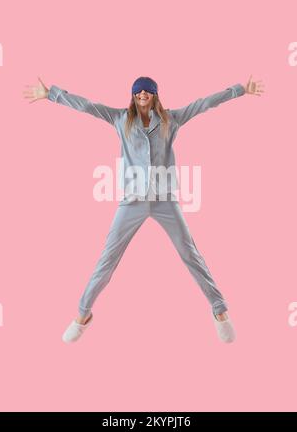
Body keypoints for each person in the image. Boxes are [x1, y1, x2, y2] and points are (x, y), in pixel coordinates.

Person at [23, 75, 265, 344]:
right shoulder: (120, 119)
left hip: (164, 201)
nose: (142, 95)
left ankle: (219, 310)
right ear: (132, 95)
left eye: (147, 91)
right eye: (138, 92)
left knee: (190, 253)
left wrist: (240, 90)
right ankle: (82, 314)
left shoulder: (171, 120)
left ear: (155, 95)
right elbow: (86, 106)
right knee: (107, 259)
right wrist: (51, 94)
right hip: (133, 201)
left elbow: (204, 103)